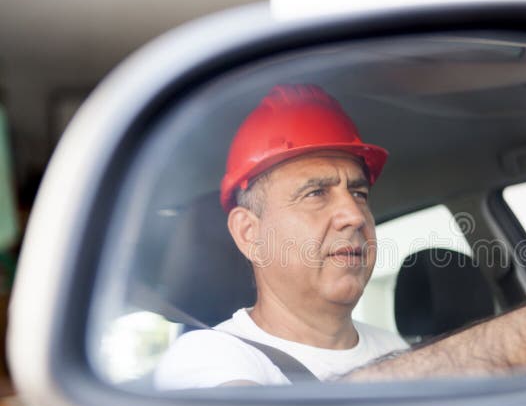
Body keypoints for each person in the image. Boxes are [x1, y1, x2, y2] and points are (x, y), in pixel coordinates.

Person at [154, 84, 408, 389]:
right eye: (316, 193)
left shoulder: (395, 348)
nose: (355, 216)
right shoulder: (205, 357)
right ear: (250, 234)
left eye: (359, 193)